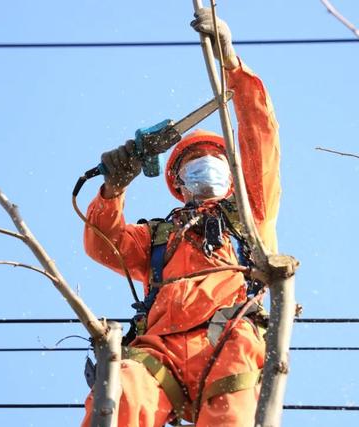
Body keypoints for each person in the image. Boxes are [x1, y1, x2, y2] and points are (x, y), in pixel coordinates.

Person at [81, 8, 280, 427]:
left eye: (214, 159)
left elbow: (259, 133)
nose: (205, 166)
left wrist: (232, 64)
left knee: (233, 415)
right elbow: (103, 243)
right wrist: (113, 188)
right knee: (121, 393)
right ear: (178, 183)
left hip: (230, 334)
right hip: (159, 349)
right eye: (193, 164)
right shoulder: (159, 236)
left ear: (233, 173)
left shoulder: (249, 214)